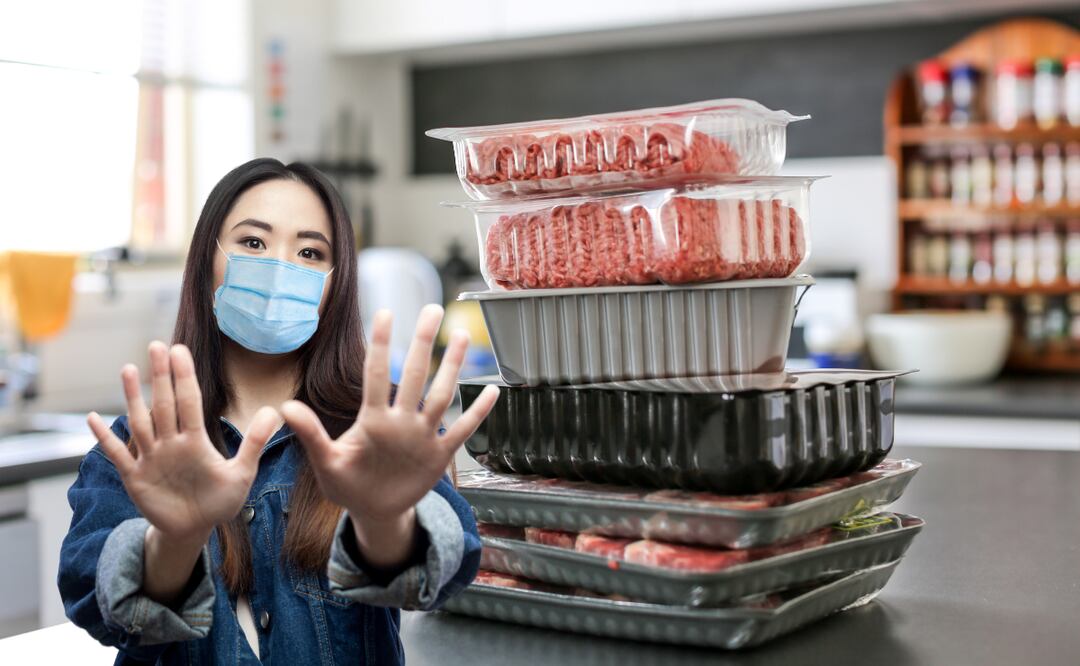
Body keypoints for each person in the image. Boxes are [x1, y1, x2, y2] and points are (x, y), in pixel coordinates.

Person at [57, 158, 500, 664]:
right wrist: (174, 543)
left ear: (335, 284)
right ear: (207, 260)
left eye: (310, 252)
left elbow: (436, 574)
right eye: (252, 243)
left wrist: (383, 521)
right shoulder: (142, 448)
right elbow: (101, 604)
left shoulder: (378, 432)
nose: (280, 267)